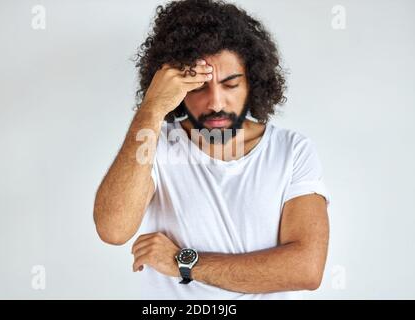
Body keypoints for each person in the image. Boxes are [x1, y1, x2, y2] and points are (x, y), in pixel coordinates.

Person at [94, 0, 331, 299]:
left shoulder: (292, 150)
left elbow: (306, 269)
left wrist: (183, 262)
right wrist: (151, 109)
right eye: (197, 87)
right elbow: (113, 230)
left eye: (230, 84)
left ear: (253, 83)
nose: (216, 102)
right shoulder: (155, 143)